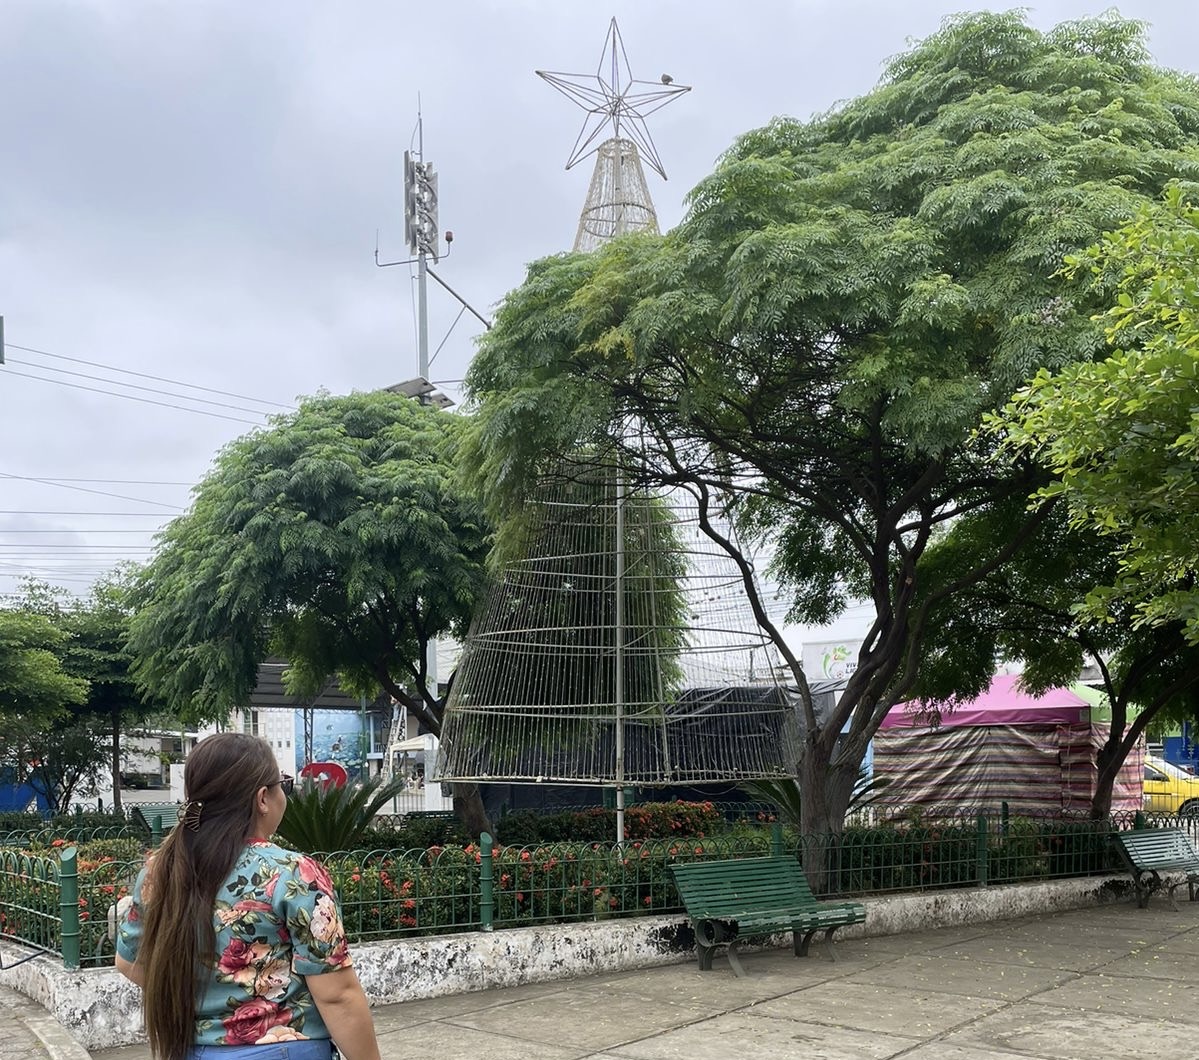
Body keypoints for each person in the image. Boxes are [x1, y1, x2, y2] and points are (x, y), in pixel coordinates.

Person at [115, 732, 381, 1060]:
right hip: (282, 1050)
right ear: (262, 798)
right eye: (283, 785)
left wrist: (202, 998)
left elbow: (129, 962)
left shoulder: (160, 870)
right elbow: (337, 996)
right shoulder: (294, 874)